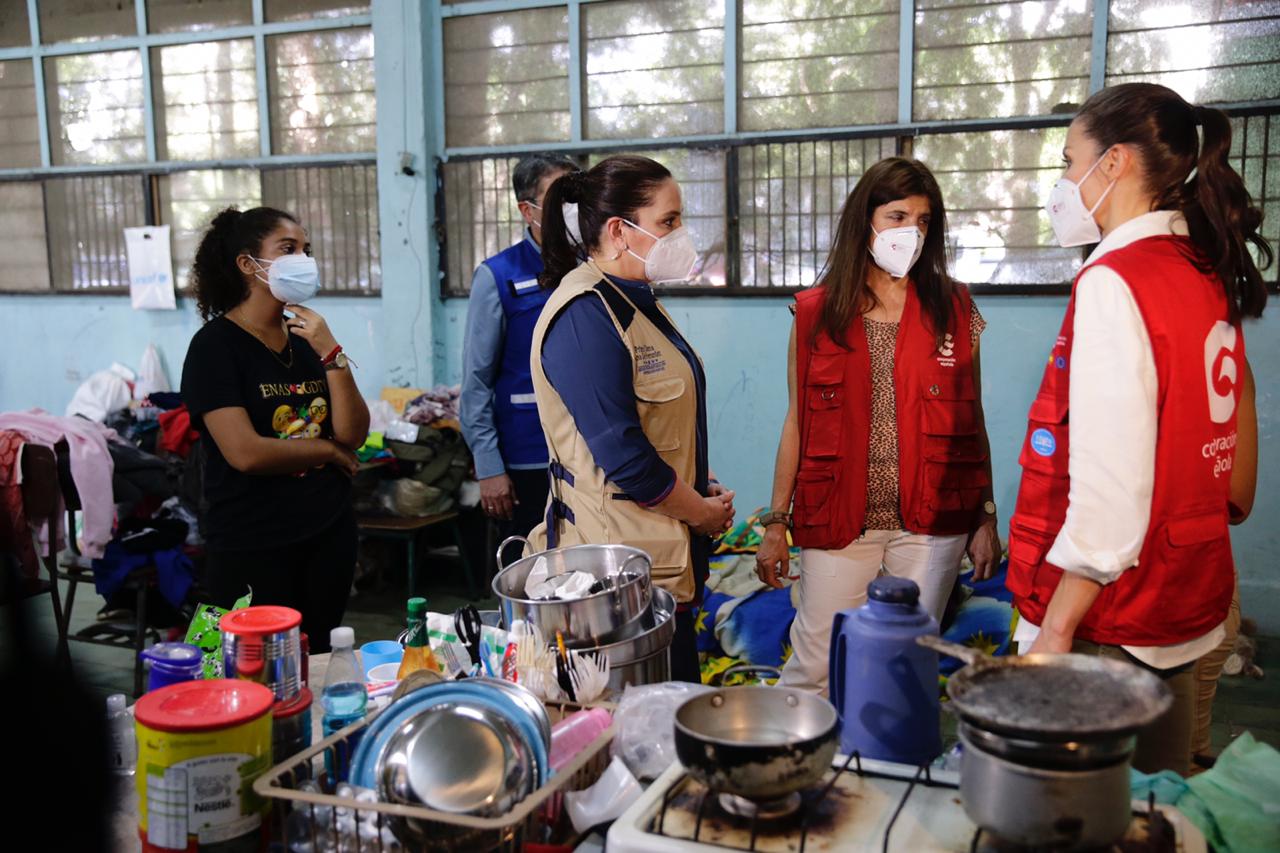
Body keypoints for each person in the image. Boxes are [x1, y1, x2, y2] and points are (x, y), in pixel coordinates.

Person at [1007, 83, 1272, 775]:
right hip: (1183, 593)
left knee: (1078, 805)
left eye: (1070, 161)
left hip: (1113, 613)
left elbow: (1113, 485)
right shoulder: (1199, 266)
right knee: (1153, 798)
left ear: (1115, 162)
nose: (1064, 182)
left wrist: (1057, 626)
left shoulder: (1116, 278)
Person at [754, 157, 999, 695]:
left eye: (924, 220)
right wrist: (776, 522)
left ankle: (888, 752)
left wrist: (985, 516)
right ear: (864, 221)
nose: (912, 232)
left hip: (931, 524)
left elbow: (971, 417)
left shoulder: (956, 308)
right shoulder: (816, 313)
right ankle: (803, 750)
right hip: (839, 519)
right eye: (897, 216)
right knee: (817, 665)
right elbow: (797, 421)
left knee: (907, 668)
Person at [527, 155, 736, 683]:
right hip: (615, 578)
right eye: (669, 221)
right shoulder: (584, 316)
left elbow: (658, 424)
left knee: (674, 702)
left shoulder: (633, 301)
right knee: (637, 715)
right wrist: (702, 513)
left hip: (655, 557)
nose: (681, 234)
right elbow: (627, 460)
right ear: (620, 231)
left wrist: (697, 479)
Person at [181, 207, 369, 653]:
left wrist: (332, 353)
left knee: (315, 659)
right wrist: (327, 451)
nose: (303, 259)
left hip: (327, 533)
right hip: (252, 541)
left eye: (306, 249)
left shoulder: (307, 339)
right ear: (248, 264)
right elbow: (245, 452)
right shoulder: (214, 347)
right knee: (248, 668)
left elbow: (352, 434)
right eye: (288, 249)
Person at [460, 154, 577, 547]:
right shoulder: (497, 275)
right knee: (529, 566)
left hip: (590, 454)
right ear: (528, 210)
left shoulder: (593, 267)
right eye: (560, 197)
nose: (572, 207)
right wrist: (489, 466)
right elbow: (476, 380)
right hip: (527, 453)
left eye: (576, 195)